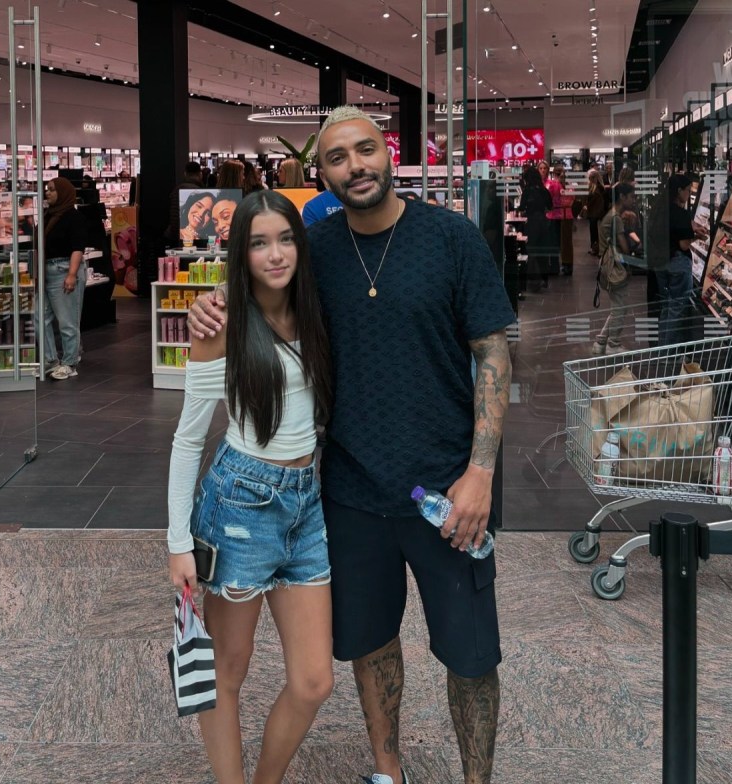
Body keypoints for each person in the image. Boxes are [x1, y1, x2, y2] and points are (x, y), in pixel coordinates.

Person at [189, 105, 514, 784]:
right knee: (370, 643)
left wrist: (481, 470)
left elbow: (492, 352)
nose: (354, 167)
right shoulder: (320, 251)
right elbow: (263, 287)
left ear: (388, 153)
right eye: (336, 158)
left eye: (364, 150)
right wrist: (209, 307)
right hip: (349, 491)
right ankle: (387, 770)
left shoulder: (452, 239)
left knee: (471, 654)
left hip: (448, 491)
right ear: (323, 172)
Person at [167, 189, 334, 784]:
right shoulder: (222, 320)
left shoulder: (316, 308)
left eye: (286, 238)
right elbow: (189, 437)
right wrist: (177, 541)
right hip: (240, 502)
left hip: (307, 502)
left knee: (314, 679)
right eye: (259, 242)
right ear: (241, 252)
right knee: (227, 673)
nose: (275, 254)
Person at [42, 177, 88, 380]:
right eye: (47, 189)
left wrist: (71, 274)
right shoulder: (48, 215)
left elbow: (78, 247)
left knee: (67, 321)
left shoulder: (73, 217)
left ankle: (70, 362)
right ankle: (50, 359)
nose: (48, 193)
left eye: (52, 190)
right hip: (47, 271)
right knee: (39, 317)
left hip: (63, 270)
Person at [657, 173, 705, 346]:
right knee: (677, 308)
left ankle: (661, 348)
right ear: (679, 191)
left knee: (667, 306)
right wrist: (696, 237)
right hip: (677, 262)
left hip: (661, 261)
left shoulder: (661, 208)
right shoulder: (681, 213)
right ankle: (668, 352)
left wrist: (690, 228)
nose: (688, 193)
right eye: (687, 190)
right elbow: (684, 245)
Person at [592, 183, 638, 356]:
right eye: (631, 196)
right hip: (614, 266)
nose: (633, 200)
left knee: (617, 306)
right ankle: (613, 344)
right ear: (622, 197)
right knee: (620, 307)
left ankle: (601, 341)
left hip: (606, 265)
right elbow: (625, 248)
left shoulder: (611, 215)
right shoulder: (616, 218)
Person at [517, 167, 553, 293]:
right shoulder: (544, 190)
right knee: (542, 250)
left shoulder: (527, 191)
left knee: (531, 250)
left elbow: (521, 207)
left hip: (531, 222)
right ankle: (544, 278)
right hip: (543, 222)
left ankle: (534, 280)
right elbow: (550, 206)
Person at [165, 162, 205, 247]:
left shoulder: (177, 189)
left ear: (185, 174)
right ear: (200, 174)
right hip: (186, 238)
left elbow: (174, 217)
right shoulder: (201, 192)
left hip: (176, 237)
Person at [545, 164, 574, 276]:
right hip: (565, 214)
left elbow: (549, 198)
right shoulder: (568, 185)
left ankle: (556, 266)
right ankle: (567, 266)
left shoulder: (552, 184)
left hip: (556, 214)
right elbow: (572, 198)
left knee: (556, 241)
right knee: (566, 242)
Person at [584, 169, 607, 256]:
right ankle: (597, 248)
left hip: (594, 212)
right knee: (597, 231)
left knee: (594, 231)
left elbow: (591, 201)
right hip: (598, 212)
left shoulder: (595, 189)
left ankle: (595, 248)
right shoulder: (600, 188)